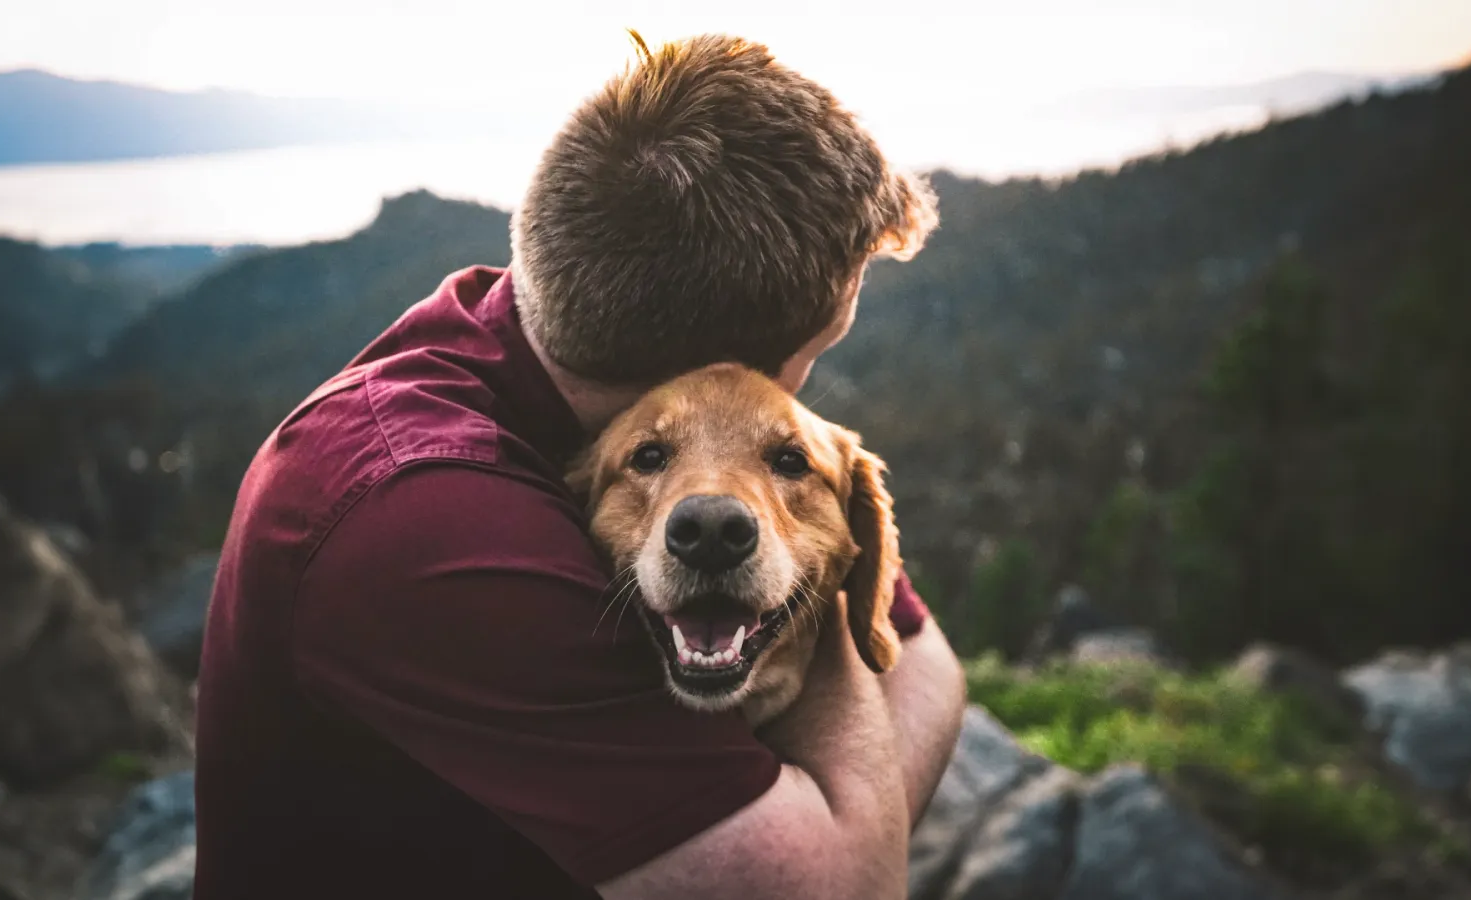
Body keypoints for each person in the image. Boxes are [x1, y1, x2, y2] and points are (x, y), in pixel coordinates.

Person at [193, 32, 966, 900]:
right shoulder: (423, 520)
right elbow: (846, 886)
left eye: (779, 441)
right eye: (817, 353)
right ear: (719, 369)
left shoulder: (530, 337)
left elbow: (929, 664)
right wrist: (847, 818)